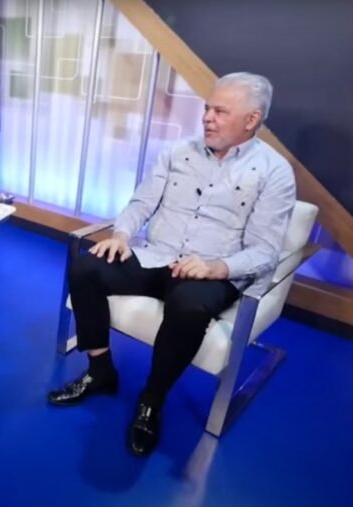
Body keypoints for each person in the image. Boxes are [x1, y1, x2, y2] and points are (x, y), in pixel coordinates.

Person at [48, 72, 296, 456]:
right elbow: (142, 202)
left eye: (220, 111)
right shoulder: (179, 151)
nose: (207, 118)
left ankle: (152, 399)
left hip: (212, 270)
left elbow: (265, 250)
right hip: (158, 254)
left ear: (251, 120)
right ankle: (100, 371)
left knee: (189, 306)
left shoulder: (274, 171)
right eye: (207, 109)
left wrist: (216, 267)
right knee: (86, 267)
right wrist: (121, 235)